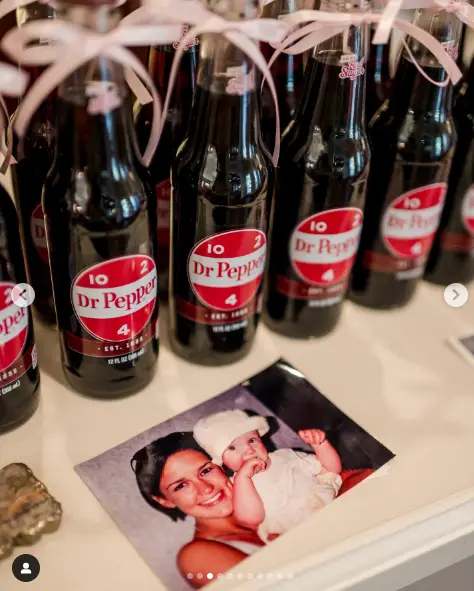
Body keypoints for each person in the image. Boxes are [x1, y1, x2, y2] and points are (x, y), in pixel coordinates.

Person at [131, 432, 265, 588]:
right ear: (165, 501)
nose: (206, 489)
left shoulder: (274, 498)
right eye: (181, 486)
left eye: (206, 471)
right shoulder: (195, 557)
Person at [193, 410, 342, 542]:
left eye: (251, 440)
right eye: (232, 448)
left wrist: (321, 445)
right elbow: (251, 519)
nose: (249, 450)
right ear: (221, 460)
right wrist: (244, 479)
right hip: (290, 530)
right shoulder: (236, 485)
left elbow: (330, 471)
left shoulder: (285, 455)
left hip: (323, 505)